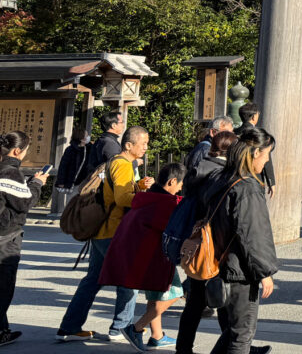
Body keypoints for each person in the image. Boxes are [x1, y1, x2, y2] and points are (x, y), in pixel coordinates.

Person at [57, 125, 153, 343]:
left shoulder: (114, 162)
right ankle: (121, 327)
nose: (146, 147)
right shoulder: (123, 165)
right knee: (129, 280)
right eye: (143, 143)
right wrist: (147, 197)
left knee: (93, 280)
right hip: (114, 231)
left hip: (101, 230)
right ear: (129, 145)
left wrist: (138, 185)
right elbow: (122, 199)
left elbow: (116, 192)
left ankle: (69, 327)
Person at [200, 127, 277, 354]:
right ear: (255, 153)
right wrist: (265, 272)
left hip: (219, 265)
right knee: (241, 335)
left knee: (231, 331)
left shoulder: (222, 177)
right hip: (240, 270)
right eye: (266, 155)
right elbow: (253, 234)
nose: (266, 161)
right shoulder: (248, 187)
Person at [102, 162, 187, 352]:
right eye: (180, 184)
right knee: (175, 293)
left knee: (156, 295)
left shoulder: (145, 198)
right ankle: (136, 328)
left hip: (140, 254)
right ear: (172, 181)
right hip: (155, 257)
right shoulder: (166, 204)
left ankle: (157, 336)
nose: (181, 187)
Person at [175, 131, 236, 354]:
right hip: (214, 241)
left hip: (197, 239)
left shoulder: (199, 168)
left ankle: (184, 348)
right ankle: (234, 346)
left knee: (198, 300)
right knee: (223, 297)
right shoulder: (221, 173)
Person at [0, 130, 48, 346]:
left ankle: (3, 330)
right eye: (26, 150)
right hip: (5, 237)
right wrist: (37, 184)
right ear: (18, 150)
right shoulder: (10, 172)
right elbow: (25, 203)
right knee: (3, 286)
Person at [238, 103, 275, 196]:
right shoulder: (257, 135)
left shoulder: (235, 132)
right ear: (254, 117)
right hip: (255, 175)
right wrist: (271, 182)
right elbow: (266, 159)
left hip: (238, 175)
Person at [53, 128, 89, 213]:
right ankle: (70, 221)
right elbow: (63, 166)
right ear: (81, 138)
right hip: (73, 182)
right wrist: (61, 181)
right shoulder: (70, 150)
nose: (88, 137)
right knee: (72, 203)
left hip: (85, 181)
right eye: (86, 135)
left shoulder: (89, 149)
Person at [82, 110, 125, 176]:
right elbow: (116, 166)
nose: (123, 125)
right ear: (113, 125)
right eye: (122, 122)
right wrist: (135, 162)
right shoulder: (109, 143)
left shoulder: (104, 140)